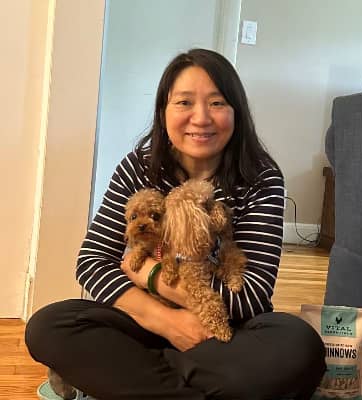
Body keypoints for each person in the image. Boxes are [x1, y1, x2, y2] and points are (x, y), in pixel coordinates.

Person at [25, 48, 325, 400]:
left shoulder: (261, 177)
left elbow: (253, 295)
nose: (201, 118)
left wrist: (147, 273)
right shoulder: (137, 167)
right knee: (48, 326)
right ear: (163, 112)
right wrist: (168, 323)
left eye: (217, 103)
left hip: (225, 335)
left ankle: (130, 382)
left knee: (299, 347)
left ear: (237, 112)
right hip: (144, 321)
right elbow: (92, 262)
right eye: (184, 102)